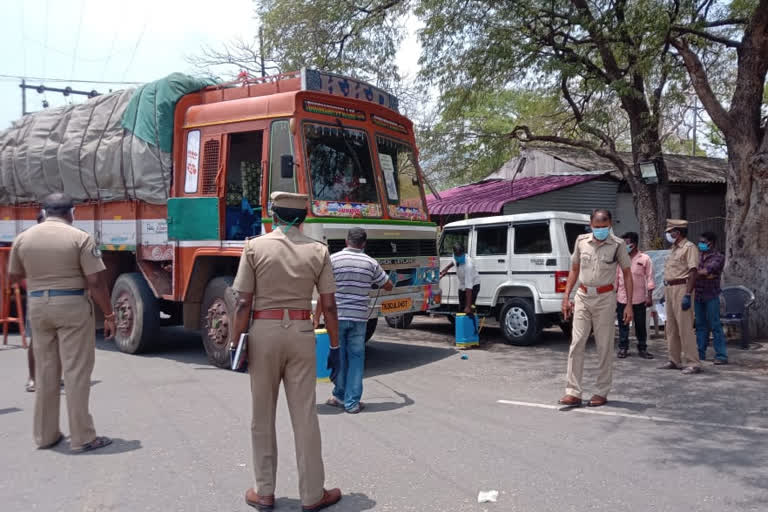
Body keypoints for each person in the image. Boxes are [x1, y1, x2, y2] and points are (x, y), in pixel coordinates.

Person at [231, 191, 342, 512]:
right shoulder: (318, 251)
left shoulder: (254, 247)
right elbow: (330, 305)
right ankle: (312, 495)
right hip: (301, 332)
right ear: (304, 217)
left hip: (262, 333)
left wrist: (235, 342)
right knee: (305, 415)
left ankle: (264, 492)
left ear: (273, 215)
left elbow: (242, 302)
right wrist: (334, 345)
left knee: (261, 414)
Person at [8, 193, 116, 452]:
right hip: (71, 305)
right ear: (72, 212)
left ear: (44, 212)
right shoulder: (79, 238)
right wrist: (109, 315)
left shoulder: (23, 238)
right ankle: (83, 437)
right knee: (76, 372)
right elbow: (95, 282)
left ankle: (45, 435)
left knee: (46, 372)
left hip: (38, 306)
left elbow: (12, 277)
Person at [559, 209, 633, 408]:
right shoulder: (581, 241)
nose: (600, 230)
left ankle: (601, 391)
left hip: (606, 298)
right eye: (597, 227)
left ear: (610, 225)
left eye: (604, 227)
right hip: (583, 296)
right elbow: (574, 269)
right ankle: (573, 392)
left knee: (604, 346)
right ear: (591, 225)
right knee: (577, 343)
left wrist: (628, 304)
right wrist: (566, 297)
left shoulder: (618, 245)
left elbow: (627, 273)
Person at [318, 227, 392, 414]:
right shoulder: (371, 263)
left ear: (346, 241)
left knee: (339, 356)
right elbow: (388, 286)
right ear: (364, 244)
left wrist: (316, 315)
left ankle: (338, 395)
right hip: (359, 318)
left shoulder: (332, 260)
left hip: (336, 318)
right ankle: (352, 403)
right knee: (356, 359)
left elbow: (323, 290)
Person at [659, 219, 701, 374]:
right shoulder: (673, 249)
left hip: (683, 287)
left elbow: (693, 272)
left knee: (685, 327)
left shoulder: (689, 247)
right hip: (670, 288)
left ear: (679, 232)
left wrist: (688, 294)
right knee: (671, 328)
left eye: (671, 231)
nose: (669, 234)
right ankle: (674, 360)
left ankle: (693, 362)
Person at [614, 232, 655, 359]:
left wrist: (649, 296)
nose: (624, 246)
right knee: (623, 324)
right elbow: (616, 278)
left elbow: (650, 278)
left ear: (634, 243)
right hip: (622, 298)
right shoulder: (620, 259)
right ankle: (623, 348)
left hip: (639, 299)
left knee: (640, 325)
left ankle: (642, 348)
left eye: (627, 243)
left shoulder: (645, 259)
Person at [695, 231, 728, 364]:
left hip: (711, 295)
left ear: (711, 243)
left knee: (715, 325)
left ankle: (721, 355)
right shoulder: (697, 256)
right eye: (700, 242)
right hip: (698, 295)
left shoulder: (718, 257)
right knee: (700, 325)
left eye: (703, 242)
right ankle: (700, 353)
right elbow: (695, 272)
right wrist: (700, 274)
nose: (700, 244)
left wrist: (698, 273)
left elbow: (706, 271)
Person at [439, 244, 480, 315]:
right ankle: (461, 324)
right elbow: (453, 262)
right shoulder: (455, 257)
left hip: (473, 286)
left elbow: (469, 288)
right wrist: (446, 269)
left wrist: (468, 306)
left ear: (464, 253)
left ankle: (471, 321)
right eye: (456, 255)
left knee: (470, 307)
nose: (458, 257)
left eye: (460, 255)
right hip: (462, 284)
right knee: (461, 308)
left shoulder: (468, 265)